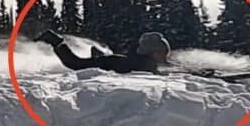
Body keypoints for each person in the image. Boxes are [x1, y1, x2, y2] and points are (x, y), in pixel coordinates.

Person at [37, 29, 169, 74]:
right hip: (110, 62)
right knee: (75, 64)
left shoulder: (145, 61)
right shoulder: (145, 63)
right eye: (162, 53)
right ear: (152, 53)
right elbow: (152, 72)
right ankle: (55, 41)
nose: (164, 56)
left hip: (112, 60)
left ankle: (97, 54)